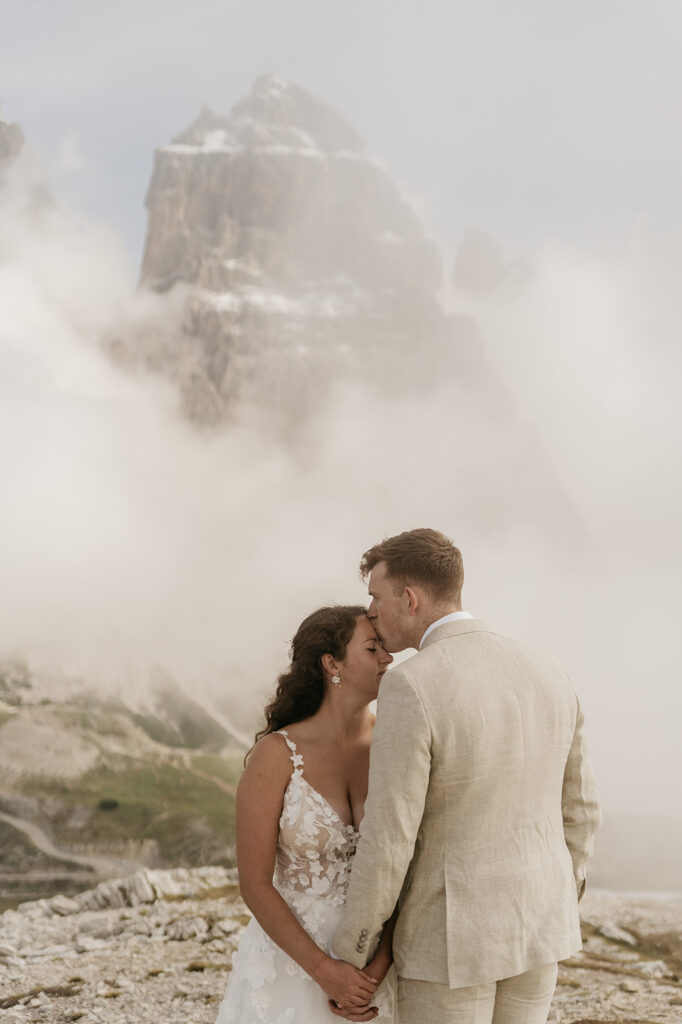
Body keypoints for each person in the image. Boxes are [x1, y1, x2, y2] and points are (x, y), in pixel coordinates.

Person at [332, 528, 601, 1024]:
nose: (370, 611)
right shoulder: (549, 668)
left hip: (451, 944)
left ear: (408, 599)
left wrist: (351, 953)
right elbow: (581, 808)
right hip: (541, 924)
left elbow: (390, 837)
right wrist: (561, 890)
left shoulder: (412, 685)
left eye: (376, 596)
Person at [215, 604, 397, 1024]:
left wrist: (382, 962)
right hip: (291, 966)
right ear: (332, 663)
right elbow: (255, 884)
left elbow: (407, 865)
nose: (388, 658)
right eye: (373, 649)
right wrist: (323, 970)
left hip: (377, 970)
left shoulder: (395, 741)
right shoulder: (276, 755)